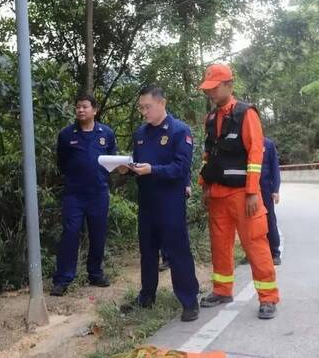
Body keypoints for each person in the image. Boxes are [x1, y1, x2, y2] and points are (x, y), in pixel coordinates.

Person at [198, 63, 279, 320]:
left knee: (255, 244)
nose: (210, 93)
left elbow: (256, 152)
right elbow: (208, 155)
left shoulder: (246, 114)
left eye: (214, 88)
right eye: (208, 89)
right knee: (219, 246)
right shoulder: (210, 118)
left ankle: (268, 297)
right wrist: (205, 186)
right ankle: (222, 290)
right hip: (218, 194)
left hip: (243, 194)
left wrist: (253, 191)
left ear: (228, 85)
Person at [120, 85, 200, 322]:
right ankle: (146, 296)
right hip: (147, 202)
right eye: (141, 108)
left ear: (162, 103)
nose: (144, 112)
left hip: (170, 202)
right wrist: (127, 169)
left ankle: (189, 300)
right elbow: (139, 166)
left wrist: (152, 169)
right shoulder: (141, 134)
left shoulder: (179, 131)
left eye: (148, 107)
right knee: (147, 251)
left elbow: (181, 168)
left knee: (177, 251)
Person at [51, 94, 117, 296]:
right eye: (78, 107)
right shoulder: (66, 134)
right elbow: (61, 163)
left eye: (85, 107)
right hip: (74, 194)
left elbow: (113, 160)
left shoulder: (106, 133)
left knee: (98, 233)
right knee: (70, 234)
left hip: (98, 192)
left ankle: (95, 273)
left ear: (94, 110)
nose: (80, 110)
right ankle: (63, 279)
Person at [261, 137, 282, 265]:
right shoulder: (244, 142)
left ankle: (275, 253)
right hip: (247, 190)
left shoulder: (268, 144)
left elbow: (275, 168)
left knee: (270, 220)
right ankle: (251, 253)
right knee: (250, 223)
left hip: (266, 189)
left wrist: (275, 189)